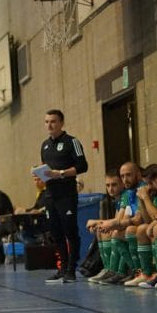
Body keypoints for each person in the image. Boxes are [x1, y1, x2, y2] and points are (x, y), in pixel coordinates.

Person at [37, 109, 89, 283]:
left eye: (53, 121)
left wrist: (60, 173)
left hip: (66, 194)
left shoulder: (71, 142)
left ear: (61, 123)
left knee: (70, 231)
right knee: (56, 233)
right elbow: (45, 168)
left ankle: (71, 270)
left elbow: (82, 166)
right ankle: (62, 268)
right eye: (46, 122)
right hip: (50, 195)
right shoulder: (45, 145)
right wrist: (40, 176)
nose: (49, 125)